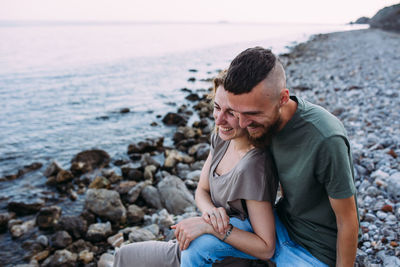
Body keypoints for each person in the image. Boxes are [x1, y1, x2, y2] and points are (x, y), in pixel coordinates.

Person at [113, 71, 278, 267]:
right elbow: (202, 190)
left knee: (126, 259)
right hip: (196, 240)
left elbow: (266, 247)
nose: (218, 120)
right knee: (123, 256)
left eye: (231, 112)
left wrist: (212, 228)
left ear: (249, 113)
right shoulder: (221, 138)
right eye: (217, 107)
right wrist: (211, 214)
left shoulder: (253, 166)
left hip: (217, 255)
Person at [223, 47, 360, 267]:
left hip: (316, 249)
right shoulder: (259, 123)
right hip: (278, 226)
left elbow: (348, 220)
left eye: (252, 114)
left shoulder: (325, 138)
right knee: (199, 246)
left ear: (283, 98)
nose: (242, 123)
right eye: (236, 112)